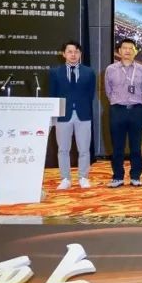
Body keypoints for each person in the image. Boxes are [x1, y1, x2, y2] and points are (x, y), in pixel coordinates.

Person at [49, 41, 96, 190]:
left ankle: (83, 177)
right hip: (62, 115)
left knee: (84, 149)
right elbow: (52, 95)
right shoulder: (55, 72)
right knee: (63, 149)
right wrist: (53, 117)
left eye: (76, 51)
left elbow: (91, 94)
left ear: (80, 54)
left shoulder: (89, 72)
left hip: (83, 114)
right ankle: (65, 179)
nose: (73, 54)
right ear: (64, 54)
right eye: (69, 52)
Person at [103, 38, 142, 188]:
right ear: (119, 51)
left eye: (131, 48)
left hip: (137, 110)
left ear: (136, 51)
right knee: (117, 146)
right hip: (118, 110)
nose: (128, 51)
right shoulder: (111, 69)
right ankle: (118, 177)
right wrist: (118, 101)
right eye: (124, 48)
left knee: (136, 146)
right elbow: (108, 91)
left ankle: (135, 176)